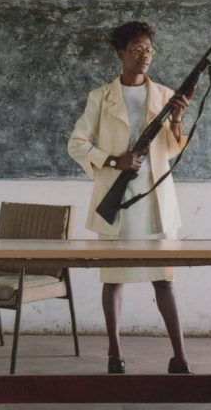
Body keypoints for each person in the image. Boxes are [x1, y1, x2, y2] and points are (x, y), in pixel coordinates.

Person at [68, 21, 193, 374]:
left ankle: (180, 356)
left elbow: (169, 150)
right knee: (113, 278)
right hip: (117, 198)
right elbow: (76, 144)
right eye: (137, 50)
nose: (145, 57)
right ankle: (115, 353)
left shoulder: (166, 96)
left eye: (149, 50)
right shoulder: (100, 97)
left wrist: (179, 118)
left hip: (154, 200)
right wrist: (114, 160)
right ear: (121, 54)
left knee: (165, 279)